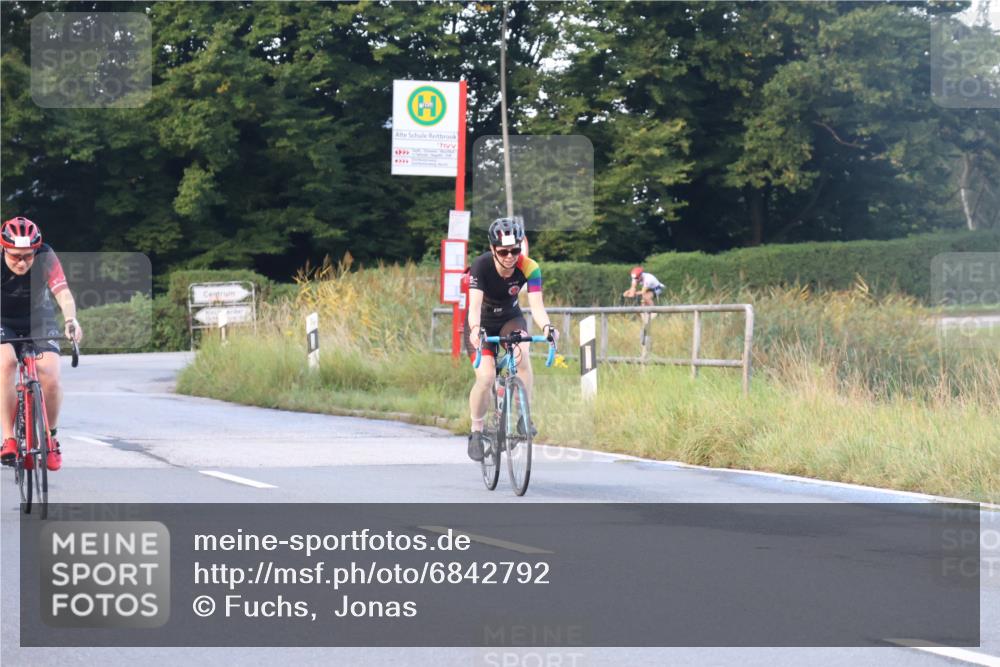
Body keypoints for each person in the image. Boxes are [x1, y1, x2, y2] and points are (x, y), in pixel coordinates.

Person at [465, 217, 558, 461]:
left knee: (522, 355)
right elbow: (473, 307)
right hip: (482, 322)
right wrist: (475, 329)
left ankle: (523, 414)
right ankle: (476, 431)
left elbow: (537, 306)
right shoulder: (481, 266)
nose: (509, 257)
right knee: (486, 377)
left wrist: (547, 327)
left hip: (510, 318)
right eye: (503, 251)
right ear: (492, 249)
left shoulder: (529, 267)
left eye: (514, 251)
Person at [1, 217, 82, 471]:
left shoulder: (46, 256)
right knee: (6, 363)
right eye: (15, 257)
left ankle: (51, 437)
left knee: (51, 376)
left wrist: (71, 320)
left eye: (28, 256)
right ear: (4, 248)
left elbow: (63, 292)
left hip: (39, 318)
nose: (22, 262)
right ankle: (9, 439)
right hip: (3, 320)